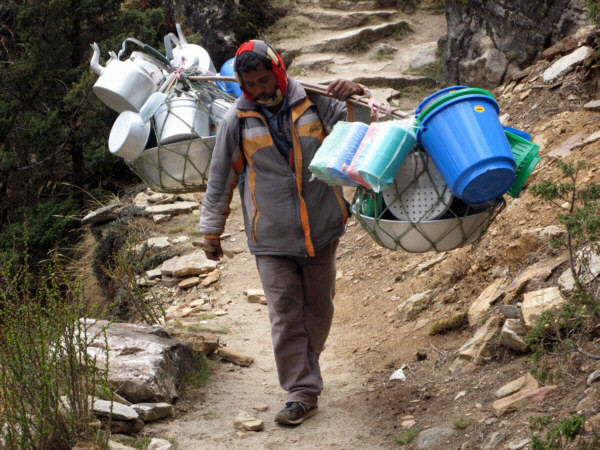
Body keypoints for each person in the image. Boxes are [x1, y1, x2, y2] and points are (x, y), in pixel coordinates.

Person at [199, 39, 367, 426]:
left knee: (319, 310)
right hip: (269, 237)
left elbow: (362, 134)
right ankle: (301, 390)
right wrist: (211, 231)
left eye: (264, 80)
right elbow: (221, 177)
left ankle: (306, 368)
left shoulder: (316, 102)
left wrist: (357, 94)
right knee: (286, 313)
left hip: (322, 228)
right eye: (251, 84)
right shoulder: (237, 120)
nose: (260, 90)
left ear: (278, 71)